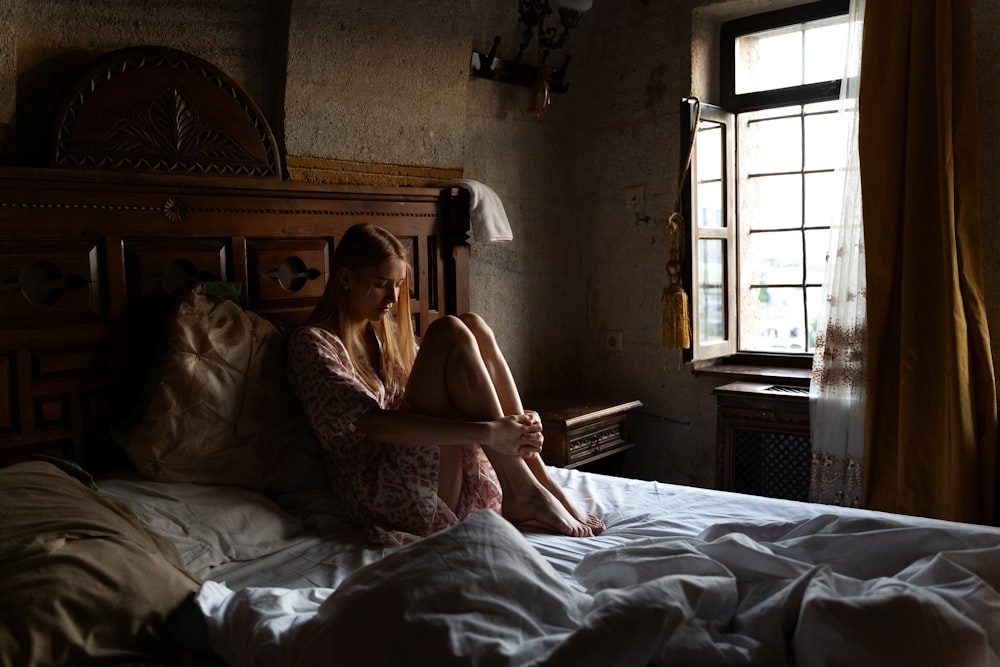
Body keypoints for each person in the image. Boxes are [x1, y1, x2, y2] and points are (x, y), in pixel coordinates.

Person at [287, 223, 603, 545]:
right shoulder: (312, 344)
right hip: (381, 486)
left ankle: (535, 474)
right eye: (381, 285)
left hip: (428, 465)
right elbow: (374, 423)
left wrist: (515, 422)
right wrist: (489, 432)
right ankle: (522, 487)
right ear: (345, 278)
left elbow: (463, 382)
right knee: (448, 331)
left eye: (397, 285)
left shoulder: (382, 334)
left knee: (472, 325)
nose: (393, 299)